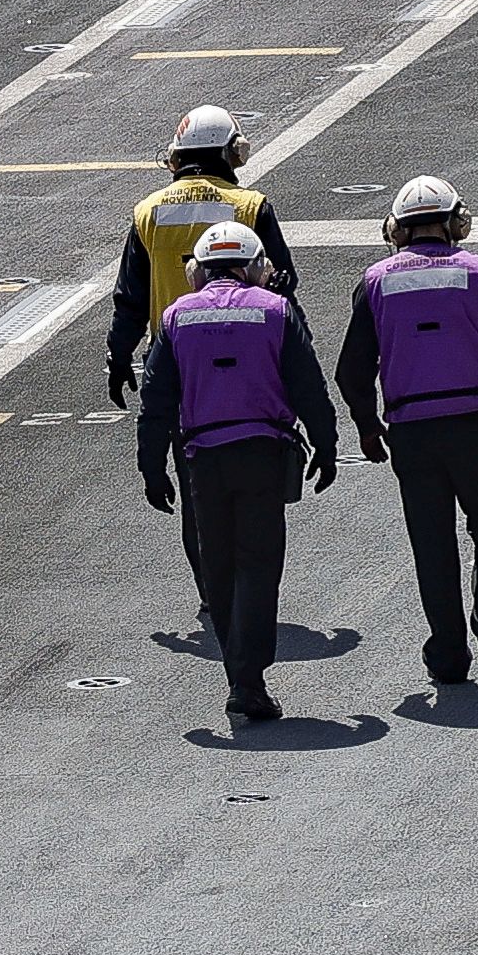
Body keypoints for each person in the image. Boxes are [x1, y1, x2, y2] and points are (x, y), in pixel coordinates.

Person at [334, 174, 478, 691]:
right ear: (457, 223)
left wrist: (366, 427)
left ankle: (448, 654)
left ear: (396, 230)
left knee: (432, 544)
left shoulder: (375, 281)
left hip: (412, 431)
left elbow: (350, 371)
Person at [135, 219, 335, 725]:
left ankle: (240, 677)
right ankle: (249, 680)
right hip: (264, 454)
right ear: (254, 268)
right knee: (259, 566)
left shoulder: (177, 316)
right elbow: (307, 384)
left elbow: (155, 400)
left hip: (203, 460)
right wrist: (328, 443)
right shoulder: (276, 310)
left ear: (199, 271)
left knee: (219, 568)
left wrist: (151, 465)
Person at [105, 104, 285, 405]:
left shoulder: (147, 212)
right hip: (242, 352)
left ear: (176, 157)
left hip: (172, 357)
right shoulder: (251, 206)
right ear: (233, 152)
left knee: (179, 444)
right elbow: (283, 288)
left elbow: (131, 299)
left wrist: (119, 356)